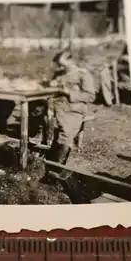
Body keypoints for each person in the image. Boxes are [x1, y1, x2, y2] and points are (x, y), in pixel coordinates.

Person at [41, 50, 96, 183]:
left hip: (72, 109)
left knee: (65, 135)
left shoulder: (82, 74)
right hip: (56, 108)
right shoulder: (60, 74)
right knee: (49, 127)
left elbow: (90, 96)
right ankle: (49, 163)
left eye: (63, 64)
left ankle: (54, 174)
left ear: (71, 61)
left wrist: (69, 92)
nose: (60, 67)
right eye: (59, 65)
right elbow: (51, 87)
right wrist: (49, 84)